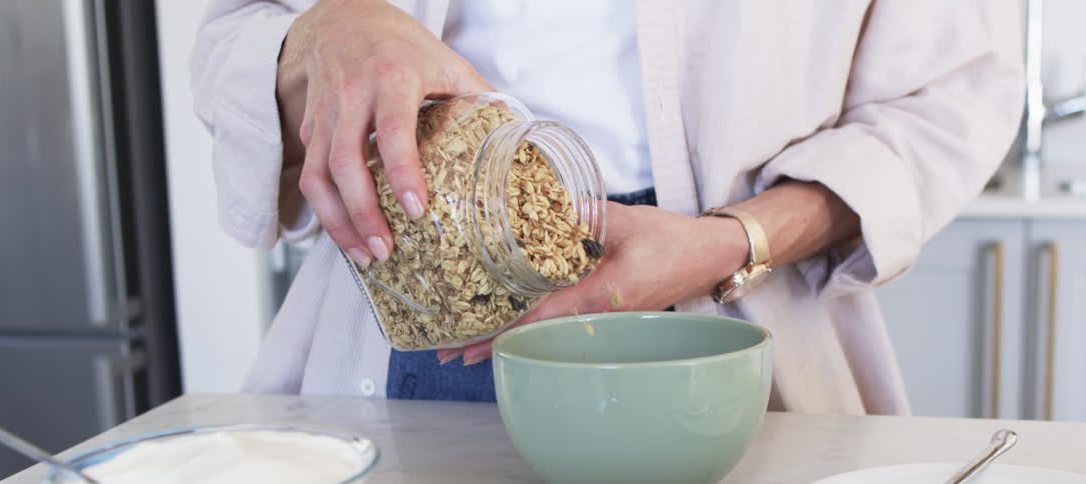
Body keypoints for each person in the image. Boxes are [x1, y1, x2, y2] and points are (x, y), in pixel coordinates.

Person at [191, 0, 1024, 414]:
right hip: (426, 296)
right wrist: (326, 30)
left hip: (729, 312)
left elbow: (953, 95)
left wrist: (735, 241)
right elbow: (232, 33)